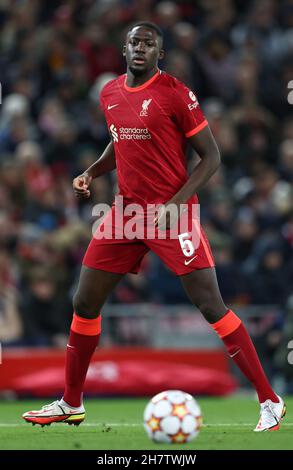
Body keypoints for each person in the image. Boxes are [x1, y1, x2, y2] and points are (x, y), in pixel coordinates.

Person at [23, 22, 286, 431]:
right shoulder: (109, 93)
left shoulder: (176, 94)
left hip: (173, 214)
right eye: (133, 42)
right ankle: (70, 402)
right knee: (84, 303)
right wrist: (91, 172)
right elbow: (121, 139)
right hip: (126, 214)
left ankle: (270, 400)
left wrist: (175, 204)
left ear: (159, 53)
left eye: (148, 43)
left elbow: (211, 158)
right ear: (123, 49)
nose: (140, 48)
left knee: (211, 306)